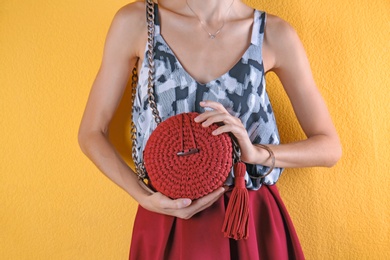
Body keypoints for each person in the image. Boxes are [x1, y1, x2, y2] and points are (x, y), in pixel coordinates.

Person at [78, 0, 342, 259]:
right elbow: (91, 132)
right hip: (167, 213)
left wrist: (257, 154)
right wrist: (144, 198)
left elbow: (329, 148)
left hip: (247, 215)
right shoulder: (137, 21)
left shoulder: (273, 33)